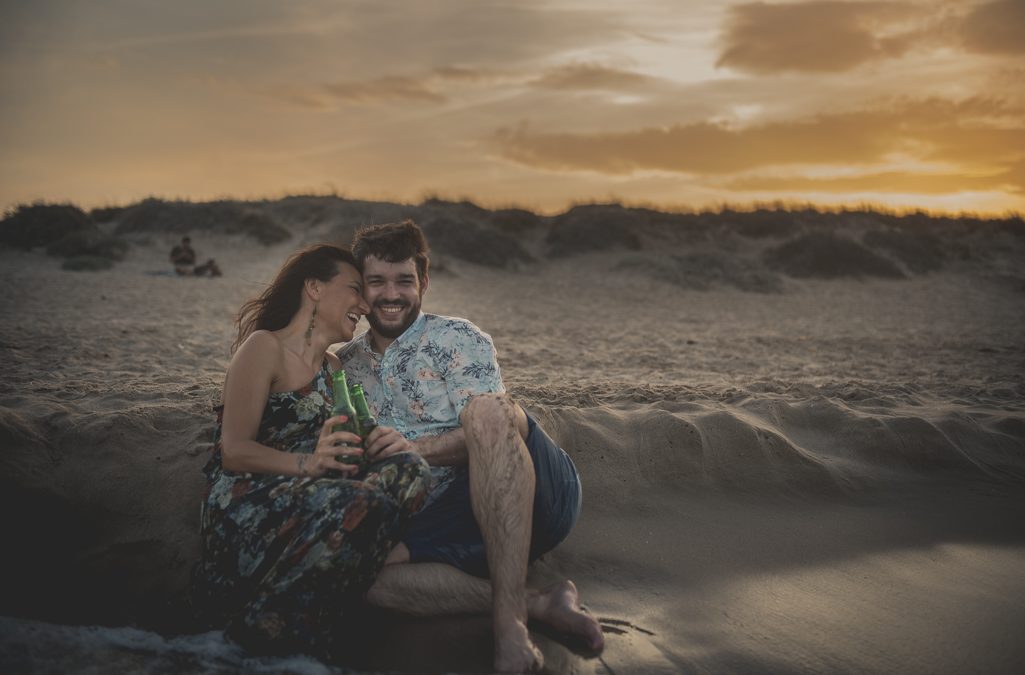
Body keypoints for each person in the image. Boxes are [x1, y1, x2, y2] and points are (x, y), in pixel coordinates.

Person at [337, 221, 604, 673]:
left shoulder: (457, 339)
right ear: (361, 290)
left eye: (404, 280)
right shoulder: (345, 365)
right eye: (377, 281)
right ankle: (540, 604)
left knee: (488, 411)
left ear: (423, 282)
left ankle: (510, 632)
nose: (391, 294)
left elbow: (494, 432)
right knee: (366, 578)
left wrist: (413, 450)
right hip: (451, 519)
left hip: (535, 492)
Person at [191, 243, 431, 659]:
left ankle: (313, 604)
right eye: (355, 289)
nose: (364, 303)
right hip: (249, 496)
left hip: (316, 495)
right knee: (365, 501)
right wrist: (310, 464)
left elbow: (343, 450)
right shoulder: (264, 348)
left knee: (411, 470)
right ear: (315, 288)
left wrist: (380, 445)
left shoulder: (334, 370)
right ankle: (260, 630)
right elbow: (233, 450)